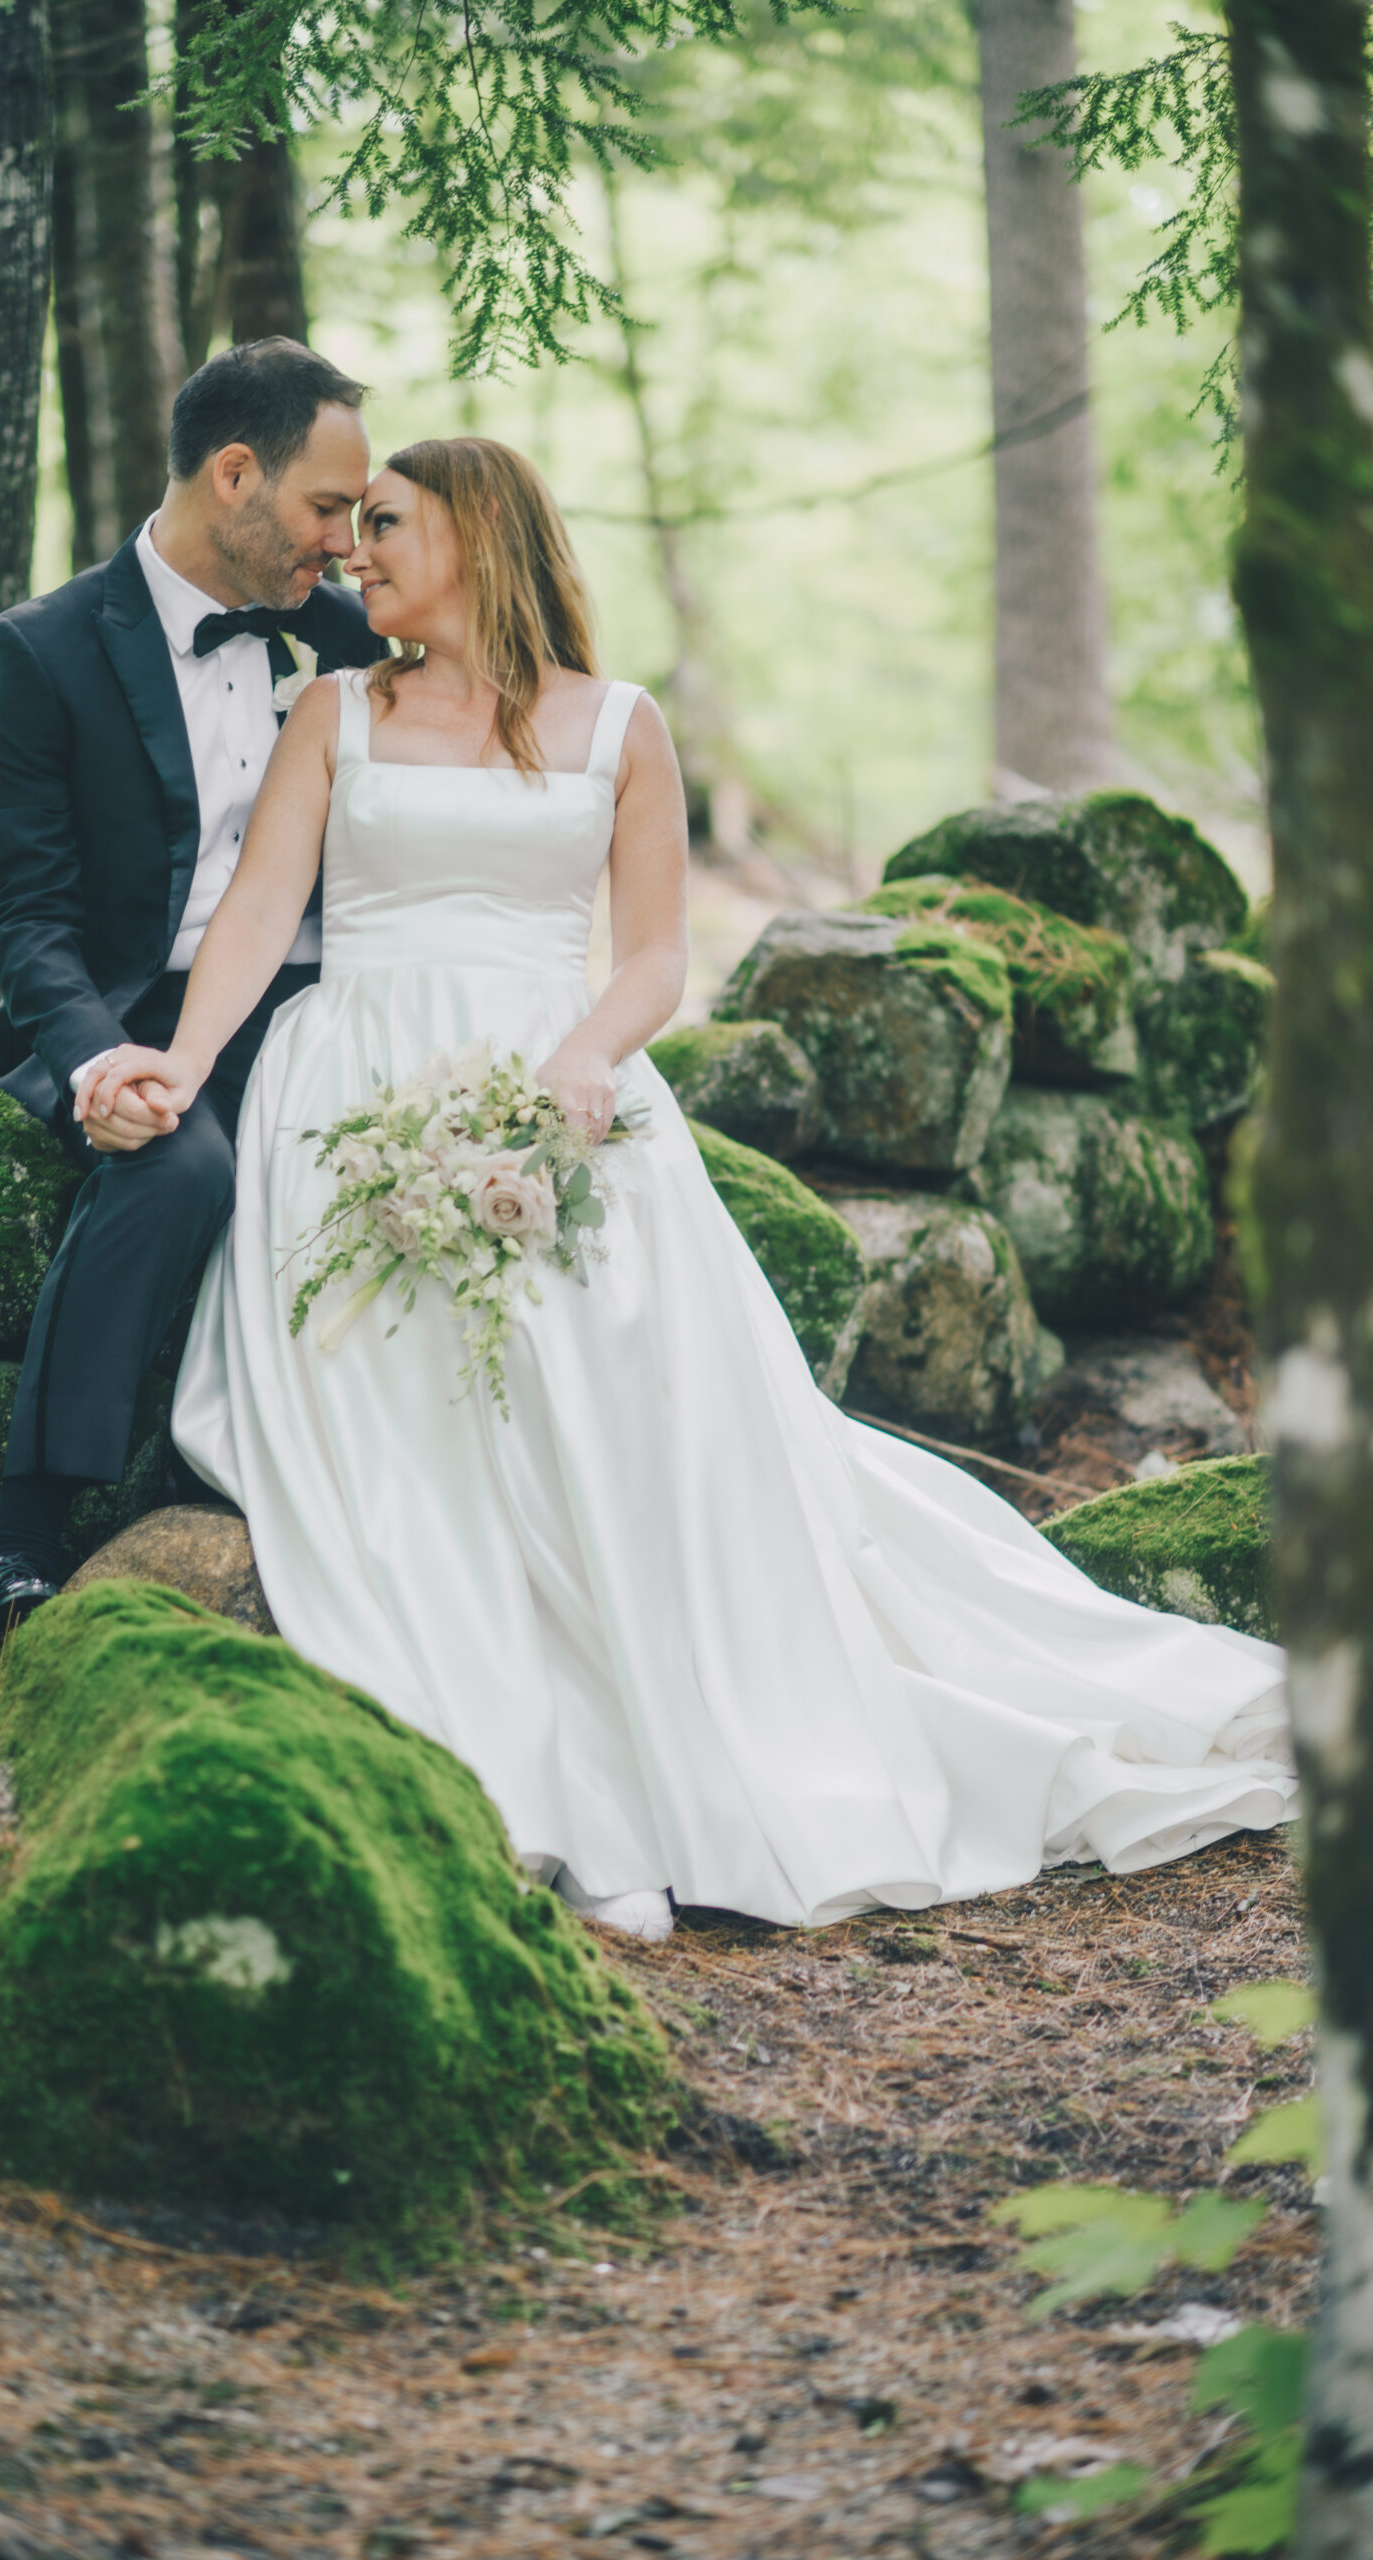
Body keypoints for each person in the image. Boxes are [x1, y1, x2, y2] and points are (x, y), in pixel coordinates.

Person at [75, 436, 1295, 1940]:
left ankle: (679, 1745)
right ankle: (509, 1755)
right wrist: (186, 1069)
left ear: (479, 535)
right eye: (354, 528)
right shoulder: (334, 709)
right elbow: (263, 912)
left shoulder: (619, 724)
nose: (354, 555)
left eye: (386, 527)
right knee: (397, 1414)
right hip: (352, 1092)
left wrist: (588, 1054)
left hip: (560, 1092)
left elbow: (653, 954)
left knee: (623, 1421)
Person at [0, 339, 391, 1689]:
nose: (347, 541)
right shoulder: (43, 650)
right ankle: (26, 1541)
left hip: (324, 1004)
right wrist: (97, 1063)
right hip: (136, 1007)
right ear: (235, 474)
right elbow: (26, 912)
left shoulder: (347, 632)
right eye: (328, 508)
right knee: (177, 1165)